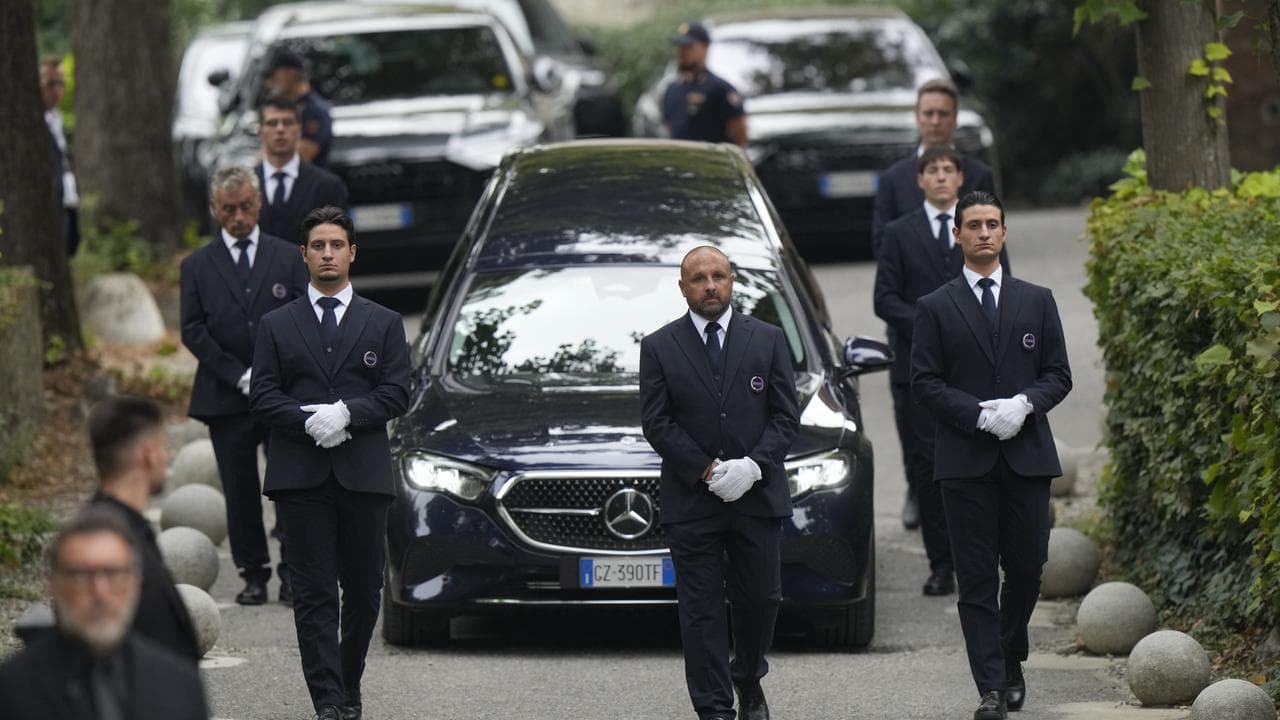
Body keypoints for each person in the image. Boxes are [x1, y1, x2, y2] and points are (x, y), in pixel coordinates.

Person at [911, 191, 1071, 720]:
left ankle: (1010, 652)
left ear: (1004, 233)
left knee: (1027, 569)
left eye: (992, 224)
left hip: (1026, 456)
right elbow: (925, 382)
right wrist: (978, 413)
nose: (984, 232)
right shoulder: (935, 307)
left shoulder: (1037, 299)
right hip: (965, 460)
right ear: (957, 235)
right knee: (977, 578)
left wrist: (1025, 404)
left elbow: (1058, 375)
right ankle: (991, 686)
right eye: (973, 225)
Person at [250, 206, 410, 720]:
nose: (327, 254)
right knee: (315, 594)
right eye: (317, 246)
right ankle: (329, 701)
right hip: (300, 475)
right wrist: (306, 420)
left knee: (364, 592)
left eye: (336, 245)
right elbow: (263, 395)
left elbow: (397, 392)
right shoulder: (277, 324)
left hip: (363, 473)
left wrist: (348, 413)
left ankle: (346, 681)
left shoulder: (383, 323)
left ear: (352, 253)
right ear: (303, 254)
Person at [640, 246, 799, 720]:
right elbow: (657, 423)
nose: (710, 286)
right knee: (701, 610)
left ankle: (748, 677)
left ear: (732, 281)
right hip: (693, 501)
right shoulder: (659, 346)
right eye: (698, 278)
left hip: (758, 495)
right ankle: (714, 708)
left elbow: (785, 416)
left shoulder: (767, 339)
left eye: (718, 276)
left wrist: (753, 466)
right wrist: (707, 470)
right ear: (683, 287)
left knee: (761, 599)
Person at [873, 147, 1012, 599]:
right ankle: (941, 564)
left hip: (973, 371)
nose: (939, 177)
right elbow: (885, 298)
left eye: (947, 170)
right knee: (929, 468)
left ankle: (980, 557)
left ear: (959, 177)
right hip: (917, 370)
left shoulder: (981, 228)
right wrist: (934, 326)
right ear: (919, 180)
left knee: (978, 465)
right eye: (931, 170)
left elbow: (1002, 288)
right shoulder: (898, 232)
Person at [180, 165, 310, 606]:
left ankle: (294, 570)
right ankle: (253, 572)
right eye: (229, 209)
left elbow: (300, 313)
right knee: (238, 490)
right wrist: (238, 372)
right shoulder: (197, 265)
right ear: (216, 211)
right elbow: (193, 329)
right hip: (225, 395)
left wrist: (269, 371)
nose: (239, 216)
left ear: (260, 205)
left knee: (290, 483)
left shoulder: (287, 256)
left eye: (247, 207)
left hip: (282, 392)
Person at [872, 78, 996, 531]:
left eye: (944, 113)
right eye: (929, 113)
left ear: (954, 118)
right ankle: (916, 492)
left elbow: (993, 248)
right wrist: (927, 321)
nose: (936, 120)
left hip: (972, 331)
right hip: (912, 330)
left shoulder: (978, 176)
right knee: (915, 425)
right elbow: (882, 256)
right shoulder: (893, 180)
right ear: (917, 116)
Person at [0, 507, 209, 720]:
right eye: (82, 575)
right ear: (52, 585)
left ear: (135, 582)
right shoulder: (11, 690)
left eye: (113, 574)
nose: (100, 593)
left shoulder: (179, 685)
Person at [83, 395, 202, 662]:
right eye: (163, 447)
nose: (165, 457)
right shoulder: (105, 543)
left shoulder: (119, 526)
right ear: (147, 454)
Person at [256, 95, 348, 247]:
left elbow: (337, 248)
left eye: (287, 122)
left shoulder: (328, 187)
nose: (280, 129)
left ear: (299, 129)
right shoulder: (245, 186)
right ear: (260, 131)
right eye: (272, 123)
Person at [662, 22, 747, 146]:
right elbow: (671, 130)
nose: (683, 52)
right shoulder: (672, 89)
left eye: (689, 47)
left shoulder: (720, 89)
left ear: (705, 46)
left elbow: (739, 134)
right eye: (680, 47)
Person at [264, 48, 334, 167]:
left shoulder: (315, 111)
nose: (269, 82)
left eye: (274, 76)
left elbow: (297, 157)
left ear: (290, 74)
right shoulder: (284, 107)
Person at [40, 56, 80, 256]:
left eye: (60, 83)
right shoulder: (37, 123)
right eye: (50, 84)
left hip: (69, 198)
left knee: (69, 248)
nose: (57, 90)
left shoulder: (58, 120)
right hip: (51, 201)